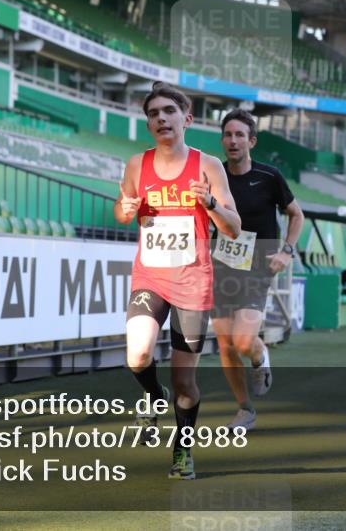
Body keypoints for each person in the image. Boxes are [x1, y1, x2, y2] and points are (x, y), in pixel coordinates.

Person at [114, 83, 241, 480]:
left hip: (192, 283)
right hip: (150, 276)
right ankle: (153, 397)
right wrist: (126, 207)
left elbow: (234, 228)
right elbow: (121, 212)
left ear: (186, 119)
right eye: (153, 114)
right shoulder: (137, 164)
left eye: (169, 111)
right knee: (138, 354)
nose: (161, 119)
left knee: (185, 381)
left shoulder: (209, 166)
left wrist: (211, 203)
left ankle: (182, 448)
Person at [211, 109, 304, 432]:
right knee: (224, 343)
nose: (233, 140)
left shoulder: (269, 176)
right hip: (222, 264)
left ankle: (260, 356)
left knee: (243, 339)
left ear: (251, 141)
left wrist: (286, 252)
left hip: (258, 264)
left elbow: (296, 215)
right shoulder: (215, 176)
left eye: (239, 135)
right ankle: (244, 409)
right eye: (227, 134)